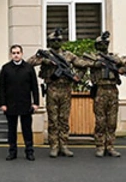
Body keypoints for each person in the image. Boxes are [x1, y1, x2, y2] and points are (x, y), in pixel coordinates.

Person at [29, 29, 89, 158]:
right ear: (50, 42)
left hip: (66, 89)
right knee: (53, 120)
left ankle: (64, 145)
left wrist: (78, 76)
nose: (56, 42)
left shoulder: (68, 55)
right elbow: (29, 63)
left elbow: (83, 65)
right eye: (53, 40)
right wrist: (43, 60)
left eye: (58, 40)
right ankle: (54, 146)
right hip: (52, 89)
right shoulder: (46, 55)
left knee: (64, 119)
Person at [80, 32, 124, 157]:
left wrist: (116, 64)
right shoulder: (93, 57)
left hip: (113, 90)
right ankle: (100, 146)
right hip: (100, 90)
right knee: (100, 121)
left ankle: (110, 146)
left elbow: (124, 63)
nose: (104, 46)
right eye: (101, 44)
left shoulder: (113, 57)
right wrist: (96, 64)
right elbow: (82, 63)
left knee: (112, 121)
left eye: (105, 43)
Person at [0, 44, 39, 160]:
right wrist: (3, 103)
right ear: (11, 55)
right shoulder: (6, 68)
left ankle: (29, 151)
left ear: (22, 54)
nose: (16, 55)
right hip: (10, 104)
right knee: (11, 130)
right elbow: (1, 87)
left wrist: (36, 103)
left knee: (27, 129)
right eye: (14, 53)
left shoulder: (28, 68)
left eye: (18, 53)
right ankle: (12, 152)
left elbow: (34, 87)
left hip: (25, 104)